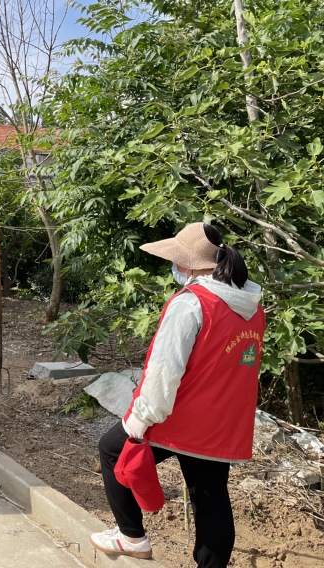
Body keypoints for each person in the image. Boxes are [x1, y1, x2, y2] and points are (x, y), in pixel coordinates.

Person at [91, 223, 265, 567]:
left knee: (112, 449)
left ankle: (132, 537)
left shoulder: (191, 303)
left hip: (181, 417)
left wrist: (142, 418)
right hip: (224, 421)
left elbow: (165, 370)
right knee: (211, 497)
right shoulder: (251, 306)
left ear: (187, 265)